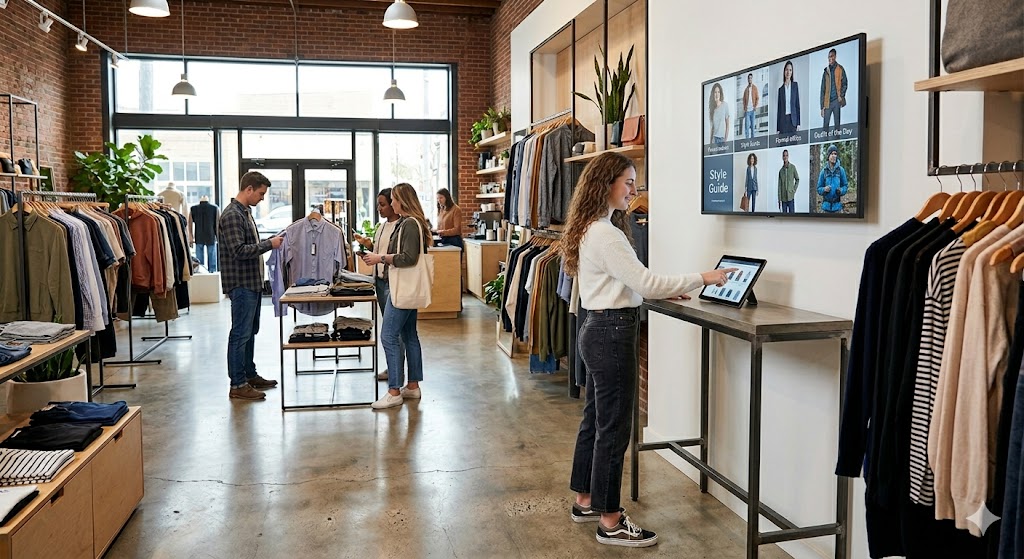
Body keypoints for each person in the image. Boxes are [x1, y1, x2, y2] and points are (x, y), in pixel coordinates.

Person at [561, 152, 734, 547]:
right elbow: (646, 281)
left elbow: (632, 283)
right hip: (611, 333)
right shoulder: (606, 234)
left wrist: (674, 288)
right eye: (628, 182)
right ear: (606, 184)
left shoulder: (592, 227)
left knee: (595, 421)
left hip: (597, 328)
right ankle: (610, 520)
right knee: (614, 429)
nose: (634, 190)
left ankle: (586, 499)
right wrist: (703, 277)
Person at [361, 183, 433, 409]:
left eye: (393, 200)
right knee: (409, 334)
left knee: (388, 336)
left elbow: (408, 258)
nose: (391, 204)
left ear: (403, 200)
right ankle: (412, 386)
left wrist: (381, 258)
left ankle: (394, 391)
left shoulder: (410, 224)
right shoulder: (408, 223)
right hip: (406, 287)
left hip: (401, 287)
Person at [218, 171, 283, 401]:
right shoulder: (232, 215)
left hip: (251, 283)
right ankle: (237, 384)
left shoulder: (245, 213)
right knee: (240, 333)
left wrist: (268, 242)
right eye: (261, 193)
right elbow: (238, 251)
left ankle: (249, 375)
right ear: (249, 189)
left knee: (249, 332)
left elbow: (249, 245)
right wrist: (269, 244)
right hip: (241, 283)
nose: (263, 198)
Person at [353, 187, 402, 381]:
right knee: (390, 330)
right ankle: (393, 369)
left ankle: (396, 374)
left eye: (382, 205)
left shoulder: (401, 227)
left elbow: (395, 256)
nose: (379, 209)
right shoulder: (381, 227)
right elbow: (379, 251)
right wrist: (367, 247)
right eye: (378, 205)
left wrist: (378, 256)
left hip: (393, 283)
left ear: (394, 204)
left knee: (392, 332)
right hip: (380, 282)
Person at [188, 196, 219, 272]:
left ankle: (201, 272)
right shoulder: (214, 208)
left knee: (199, 260)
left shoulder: (193, 209)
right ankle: (212, 273)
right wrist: (218, 236)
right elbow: (218, 223)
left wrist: (191, 236)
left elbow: (190, 223)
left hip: (198, 235)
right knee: (212, 259)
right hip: (211, 235)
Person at [819, 48, 848, 130]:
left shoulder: (840, 69)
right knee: (825, 126)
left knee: (837, 125)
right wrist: (822, 106)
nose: (829, 58)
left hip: (836, 101)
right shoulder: (826, 71)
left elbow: (845, 83)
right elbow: (822, 90)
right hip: (827, 102)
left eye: (831, 56)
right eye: (828, 57)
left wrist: (841, 95)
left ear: (835, 57)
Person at [816, 144, 848, 213]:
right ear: (828, 156)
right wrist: (824, 189)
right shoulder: (823, 171)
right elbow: (818, 188)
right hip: (825, 208)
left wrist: (841, 190)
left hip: (838, 208)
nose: (834, 156)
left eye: (835, 154)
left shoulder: (841, 170)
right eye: (831, 154)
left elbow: (845, 186)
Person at [776, 60, 801, 134]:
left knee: (793, 143)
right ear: (784, 71)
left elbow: (797, 105)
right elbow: (779, 110)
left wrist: (798, 123)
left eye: (790, 70)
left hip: (793, 121)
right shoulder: (780, 90)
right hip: (783, 122)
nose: (788, 72)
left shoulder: (795, 85)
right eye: (787, 70)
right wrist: (778, 128)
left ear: (792, 72)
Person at [777, 149, 800, 213]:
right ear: (782, 157)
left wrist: (794, 190)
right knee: (784, 218)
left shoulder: (793, 167)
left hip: (790, 197)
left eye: (786, 155)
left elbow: (797, 179)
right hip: (783, 199)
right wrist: (779, 199)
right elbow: (779, 186)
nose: (785, 157)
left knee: (792, 218)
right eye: (784, 155)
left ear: (788, 156)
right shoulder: (781, 171)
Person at [742, 73, 759, 139]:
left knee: (752, 126)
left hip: (752, 110)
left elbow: (757, 97)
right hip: (747, 111)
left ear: (752, 79)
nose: (750, 79)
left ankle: (753, 141)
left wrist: (755, 106)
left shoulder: (755, 88)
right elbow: (743, 99)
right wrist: (744, 108)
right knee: (747, 126)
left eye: (751, 78)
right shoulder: (746, 90)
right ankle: (747, 141)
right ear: (747, 79)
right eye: (749, 78)